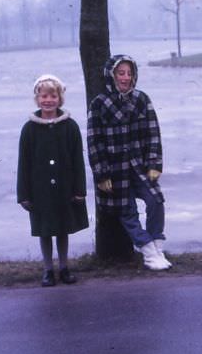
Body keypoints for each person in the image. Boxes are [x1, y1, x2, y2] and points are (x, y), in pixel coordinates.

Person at [87, 54, 171, 271]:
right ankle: (148, 251)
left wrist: (154, 163)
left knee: (156, 201)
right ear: (111, 75)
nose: (125, 77)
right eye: (120, 73)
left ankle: (157, 244)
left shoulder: (142, 99)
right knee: (127, 211)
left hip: (140, 165)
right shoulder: (99, 103)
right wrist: (101, 174)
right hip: (114, 170)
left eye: (129, 73)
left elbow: (154, 133)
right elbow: (94, 141)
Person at [17, 74, 89, 286]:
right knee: (45, 230)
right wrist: (24, 194)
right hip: (40, 191)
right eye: (44, 96)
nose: (48, 100)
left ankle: (64, 268)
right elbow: (24, 164)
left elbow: (78, 161)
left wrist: (79, 190)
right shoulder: (29, 129)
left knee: (63, 229)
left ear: (60, 98)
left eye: (53, 96)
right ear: (37, 99)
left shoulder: (70, 127)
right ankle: (48, 270)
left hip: (65, 189)